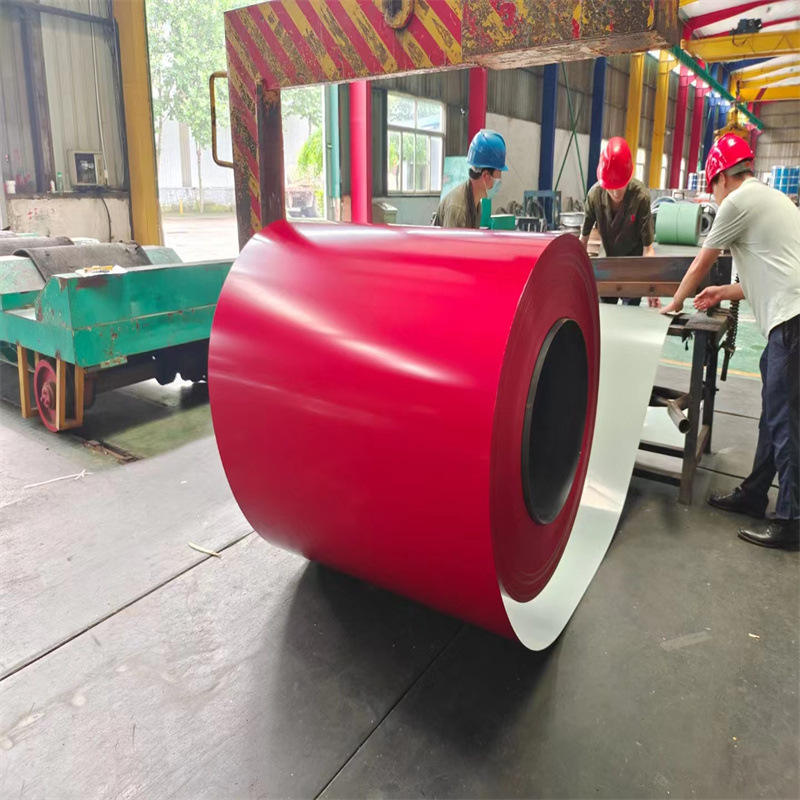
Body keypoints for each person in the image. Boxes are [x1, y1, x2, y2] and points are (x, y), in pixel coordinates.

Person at [661, 133, 800, 550]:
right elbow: (771, 271)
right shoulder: (773, 198)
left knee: (785, 422)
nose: (714, 196)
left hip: (790, 324)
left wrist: (674, 304)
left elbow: (701, 264)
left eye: (713, 187)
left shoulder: (736, 203)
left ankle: (791, 521)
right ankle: (755, 495)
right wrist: (723, 292)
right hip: (790, 322)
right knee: (773, 418)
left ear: (722, 177)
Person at [580, 137, 658, 307]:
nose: (615, 193)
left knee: (630, 313)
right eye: (610, 187)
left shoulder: (640, 197)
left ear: (629, 177)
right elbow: (583, 241)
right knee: (606, 311)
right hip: (608, 265)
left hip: (634, 267)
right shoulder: (594, 196)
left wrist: (652, 284)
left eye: (620, 185)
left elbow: (648, 248)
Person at [432, 129, 507, 228]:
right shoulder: (457, 208)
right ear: (486, 176)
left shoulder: (476, 203)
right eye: (499, 173)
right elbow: (451, 239)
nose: (500, 179)